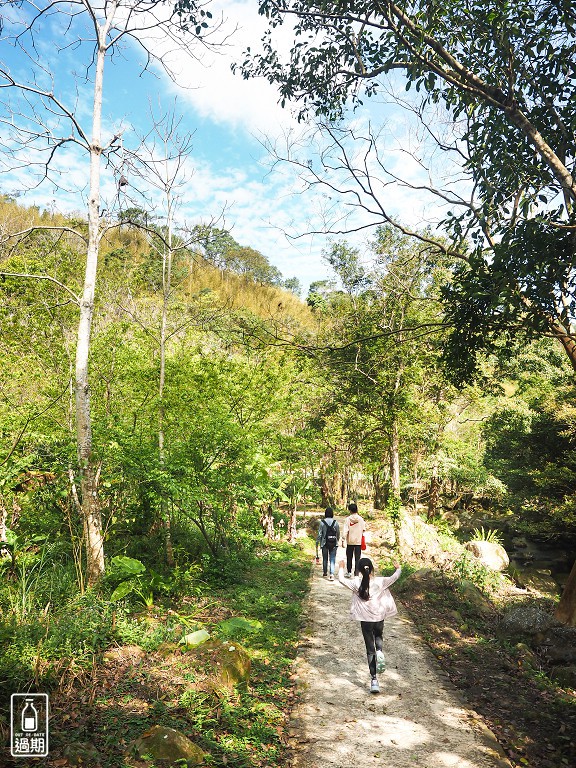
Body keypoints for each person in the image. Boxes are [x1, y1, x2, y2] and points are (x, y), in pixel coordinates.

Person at [338, 556, 401, 694]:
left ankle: (374, 680)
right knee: (378, 635)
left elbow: (341, 580)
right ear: (372, 568)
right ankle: (380, 650)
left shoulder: (356, 583)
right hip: (379, 617)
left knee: (369, 649)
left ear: (359, 570)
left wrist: (342, 567)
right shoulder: (381, 582)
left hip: (365, 620)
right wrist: (398, 568)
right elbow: (395, 577)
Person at [341, 502, 365, 577]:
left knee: (349, 557)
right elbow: (364, 529)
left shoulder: (347, 519)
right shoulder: (361, 519)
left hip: (350, 541)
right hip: (358, 541)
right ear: (356, 510)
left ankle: (349, 572)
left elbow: (345, 530)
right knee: (357, 558)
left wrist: (343, 539)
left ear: (350, 510)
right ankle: (356, 573)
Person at [316, 507, 340, 580]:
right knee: (332, 559)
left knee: (325, 558)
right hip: (333, 543)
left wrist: (318, 542)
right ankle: (332, 574)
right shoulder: (335, 522)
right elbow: (338, 533)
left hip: (324, 543)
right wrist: (337, 540)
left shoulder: (322, 522)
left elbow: (320, 534)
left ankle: (325, 572)